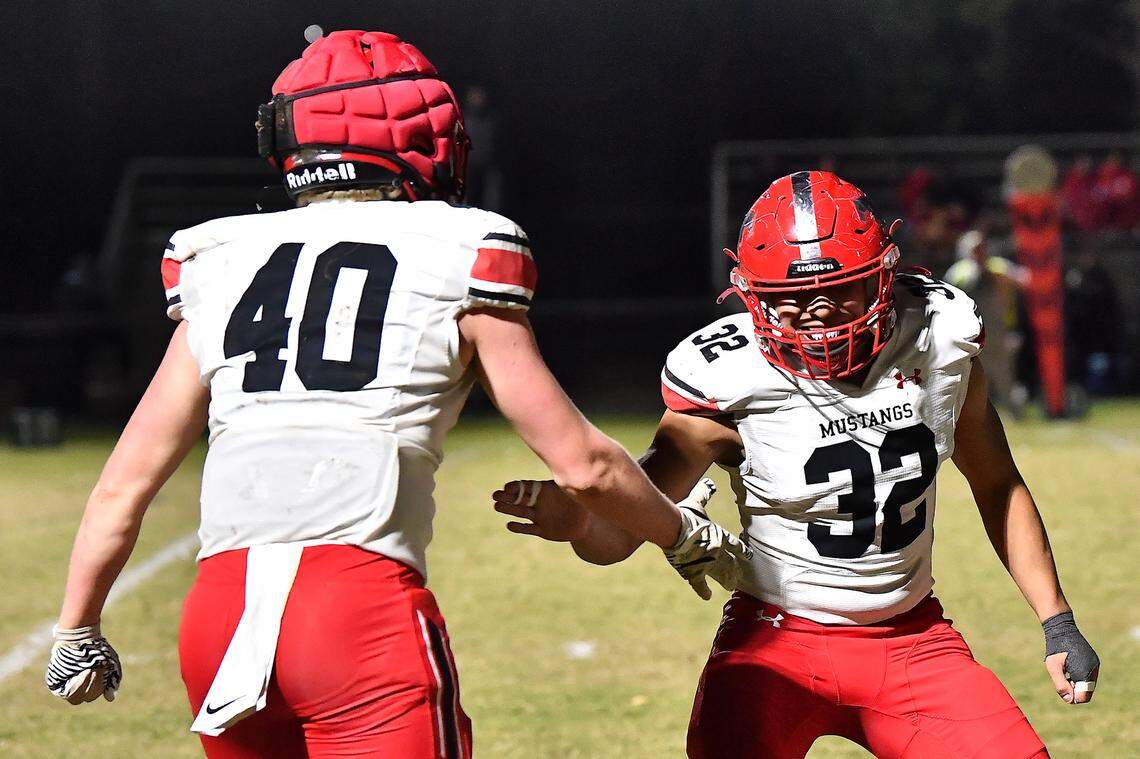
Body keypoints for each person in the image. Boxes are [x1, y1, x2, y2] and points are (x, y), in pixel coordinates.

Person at [44, 30, 748, 758]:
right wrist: (686, 535)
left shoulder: (217, 261)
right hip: (357, 610)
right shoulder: (459, 246)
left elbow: (121, 486)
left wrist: (76, 628)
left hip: (217, 620)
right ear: (418, 132)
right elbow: (585, 465)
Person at [493, 171, 1100, 758]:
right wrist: (578, 520)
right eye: (792, 299)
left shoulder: (938, 337)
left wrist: (1057, 620)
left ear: (883, 279)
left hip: (911, 639)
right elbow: (619, 534)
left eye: (837, 290)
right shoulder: (729, 381)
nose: (816, 313)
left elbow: (997, 483)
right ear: (753, 299)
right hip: (774, 642)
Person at [945, 229, 1029, 414]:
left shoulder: (997, 266)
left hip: (998, 331)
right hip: (970, 335)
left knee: (1005, 377)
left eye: (982, 247)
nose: (980, 251)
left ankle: (1016, 414)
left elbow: (1024, 280)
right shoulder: (960, 272)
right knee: (970, 379)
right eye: (975, 248)